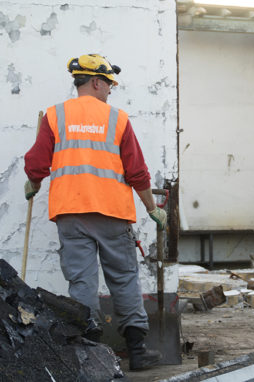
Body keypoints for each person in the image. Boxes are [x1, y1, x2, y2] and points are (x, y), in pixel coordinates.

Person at [24, 53, 166, 371]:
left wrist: (33, 183)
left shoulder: (55, 116)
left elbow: (36, 164)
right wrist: (151, 208)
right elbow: (137, 173)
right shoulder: (117, 119)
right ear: (96, 82)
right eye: (109, 84)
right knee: (125, 277)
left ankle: (88, 353)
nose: (111, 90)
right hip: (113, 213)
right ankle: (138, 350)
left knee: (82, 282)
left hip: (71, 213)